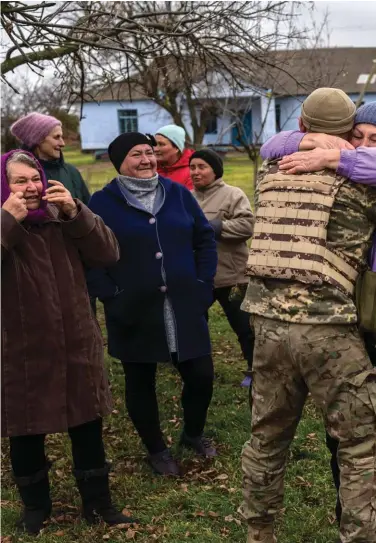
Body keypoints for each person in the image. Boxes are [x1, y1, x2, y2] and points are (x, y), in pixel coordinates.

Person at [239, 90, 376, 543]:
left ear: (304, 127)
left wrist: (313, 145)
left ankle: (258, 532)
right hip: (329, 331)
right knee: (359, 446)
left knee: (266, 439)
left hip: (266, 327)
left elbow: (280, 145)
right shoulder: (358, 184)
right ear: (347, 133)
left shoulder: (270, 172)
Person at [1, 150, 134, 534]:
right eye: (19, 181)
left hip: (76, 339)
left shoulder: (63, 219)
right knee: (26, 429)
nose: (30, 188)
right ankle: (35, 508)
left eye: (34, 179)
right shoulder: (4, 222)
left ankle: (98, 504)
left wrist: (78, 213)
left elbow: (108, 253)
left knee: (86, 423)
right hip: (21, 347)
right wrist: (9, 220)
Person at [86, 132, 218, 477]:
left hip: (185, 304)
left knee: (201, 375)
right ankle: (156, 449)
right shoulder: (102, 203)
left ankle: (192, 433)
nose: (146, 159)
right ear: (119, 163)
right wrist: (110, 295)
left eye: (150, 152)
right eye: (136, 155)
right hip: (133, 309)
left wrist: (204, 284)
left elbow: (204, 239)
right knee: (140, 380)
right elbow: (88, 257)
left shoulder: (178, 194)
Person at [189, 148, 256, 386]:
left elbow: (247, 226)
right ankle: (199, 370)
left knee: (246, 328)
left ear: (215, 170)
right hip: (200, 277)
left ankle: (254, 370)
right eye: (193, 167)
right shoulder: (187, 197)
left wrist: (213, 227)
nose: (196, 172)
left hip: (232, 275)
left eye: (202, 167)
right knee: (194, 326)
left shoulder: (232, 194)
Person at [10, 112, 92, 204]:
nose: (62, 143)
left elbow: (89, 213)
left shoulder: (72, 172)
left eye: (62, 137)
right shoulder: (15, 175)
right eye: (56, 137)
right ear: (38, 140)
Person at [155, 124, 195, 190]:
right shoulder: (150, 169)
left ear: (176, 147)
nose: (155, 149)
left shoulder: (192, 172)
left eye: (161, 144)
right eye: (154, 144)